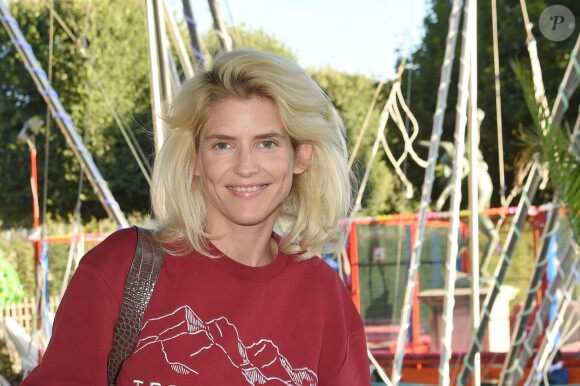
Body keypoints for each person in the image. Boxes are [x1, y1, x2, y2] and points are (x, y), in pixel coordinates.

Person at [22, 49, 370, 385]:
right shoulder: (122, 268)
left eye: (267, 143)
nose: (245, 167)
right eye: (223, 144)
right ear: (194, 160)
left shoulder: (325, 298)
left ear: (301, 156)